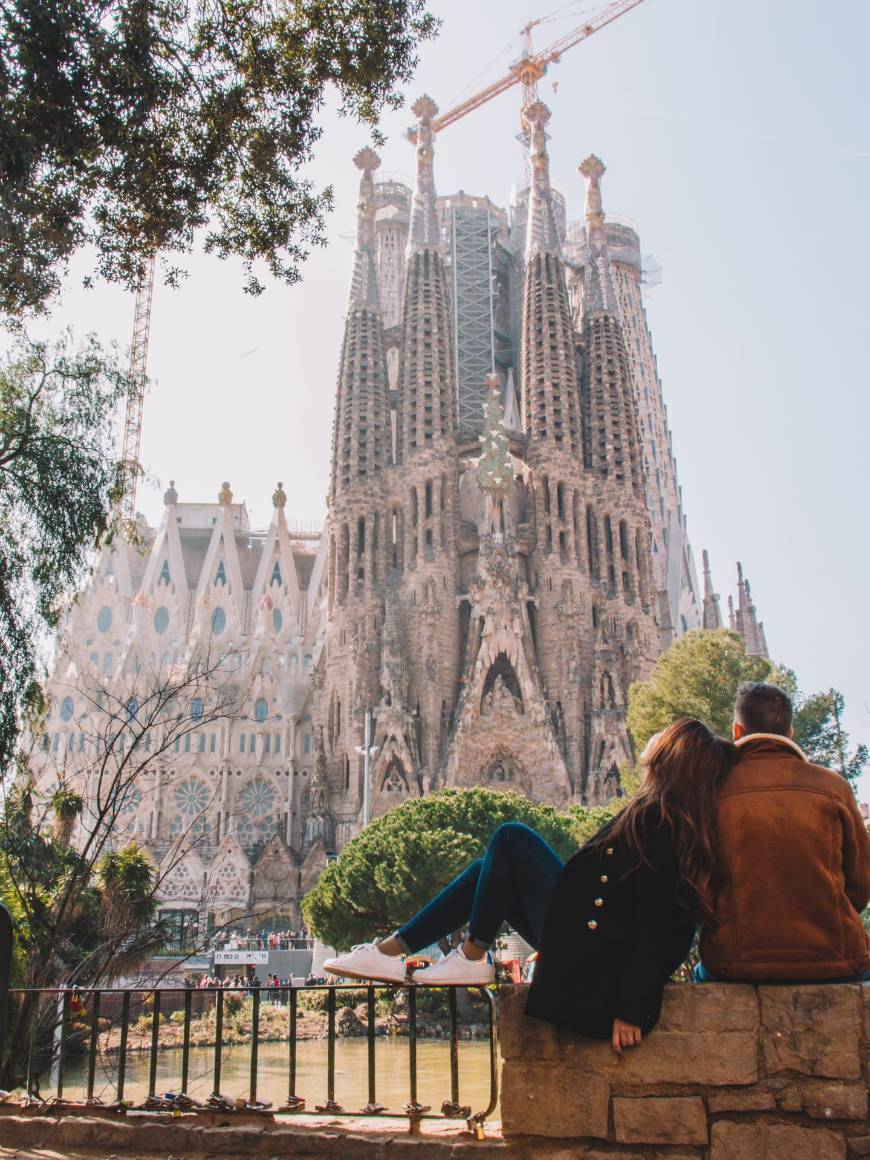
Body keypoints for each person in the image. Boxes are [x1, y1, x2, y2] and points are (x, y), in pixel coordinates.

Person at [324, 719, 738, 1052]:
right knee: (487, 867)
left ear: (671, 759)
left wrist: (633, 1007)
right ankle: (391, 951)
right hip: (585, 940)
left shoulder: (661, 821)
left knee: (510, 836)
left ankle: (466, 955)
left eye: (662, 736)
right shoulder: (659, 814)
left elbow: (663, 925)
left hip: (591, 958)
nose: (652, 736)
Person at [697, 682, 870, 983]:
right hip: (834, 960)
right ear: (790, 733)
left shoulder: (710, 789)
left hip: (735, 963)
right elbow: (860, 884)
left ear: (737, 731)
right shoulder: (833, 787)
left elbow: (699, 885)